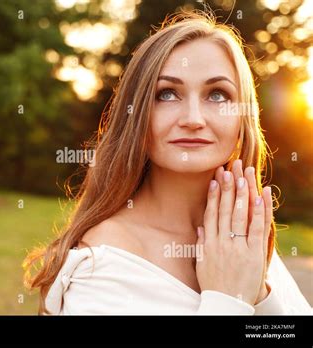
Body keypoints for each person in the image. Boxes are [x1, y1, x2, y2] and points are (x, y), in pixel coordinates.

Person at [23, 10, 312, 315]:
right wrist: (229, 302)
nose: (193, 119)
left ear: (243, 120)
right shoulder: (102, 266)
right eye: (168, 94)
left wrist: (261, 297)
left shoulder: (239, 236)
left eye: (217, 95)